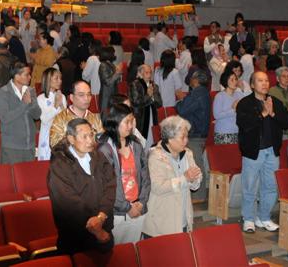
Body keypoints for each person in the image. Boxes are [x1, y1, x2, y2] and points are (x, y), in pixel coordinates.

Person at [236, 71, 288, 233]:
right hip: (253, 152)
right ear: (252, 85)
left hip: (272, 151)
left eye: (267, 80)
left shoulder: (275, 101)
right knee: (250, 187)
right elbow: (244, 124)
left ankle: (264, 217)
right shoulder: (245, 103)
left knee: (271, 186)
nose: (264, 83)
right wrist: (263, 114)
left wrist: (273, 113)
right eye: (260, 81)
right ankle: (248, 218)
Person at [49, 118, 116, 256]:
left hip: (103, 227)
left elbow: (110, 186)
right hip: (76, 236)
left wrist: (101, 216)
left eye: (91, 135)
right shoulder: (59, 165)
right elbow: (68, 202)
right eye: (84, 136)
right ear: (71, 139)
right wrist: (95, 227)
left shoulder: (99, 157)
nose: (90, 140)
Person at [97, 104, 149, 244]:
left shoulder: (135, 144)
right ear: (114, 122)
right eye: (127, 122)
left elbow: (145, 176)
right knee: (117, 253)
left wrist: (141, 202)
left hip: (138, 208)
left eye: (132, 121)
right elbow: (107, 185)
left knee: (134, 250)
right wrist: (127, 207)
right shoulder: (104, 149)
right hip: (117, 213)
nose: (131, 126)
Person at [143, 116, 202, 237]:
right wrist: (185, 179)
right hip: (162, 223)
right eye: (182, 137)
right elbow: (157, 187)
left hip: (183, 218)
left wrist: (195, 179)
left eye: (187, 136)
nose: (186, 141)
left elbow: (196, 182)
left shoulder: (188, 154)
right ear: (170, 139)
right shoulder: (156, 156)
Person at [174, 70, 211, 201]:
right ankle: (198, 195)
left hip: (195, 133)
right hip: (199, 132)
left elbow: (182, 109)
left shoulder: (197, 93)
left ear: (196, 80)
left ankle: (199, 196)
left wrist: (180, 100)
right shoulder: (203, 92)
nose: (189, 81)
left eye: (191, 78)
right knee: (195, 162)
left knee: (195, 164)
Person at [0, 62, 40, 164]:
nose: (30, 77)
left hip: (29, 145)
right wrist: (24, 104)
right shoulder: (3, 93)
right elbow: (5, 118)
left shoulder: (30, 91)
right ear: (17, 76)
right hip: (12, 147)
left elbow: (37, 115)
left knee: (28, 174)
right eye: (27, 75)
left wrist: (31, 104)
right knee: (11, 174)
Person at [50, 81, 104, 148]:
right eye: (81, 95)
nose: (86, 98)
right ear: (72, 97)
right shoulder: (60, 118)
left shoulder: (95, 118)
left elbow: (102, 141)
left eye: (89, 94)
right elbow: (55, 144)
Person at [37, 68, 67, 161]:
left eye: (60, 78)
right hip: (46, 135)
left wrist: (61, 105)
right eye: (56, 78)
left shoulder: (62, 96)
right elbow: (45, 120)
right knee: (46, 163)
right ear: (48, 80)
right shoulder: (41, 98)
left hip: (60, 135)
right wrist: (56, 106)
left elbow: (66, 118)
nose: (60, 81)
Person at [213, 71, 248, 144]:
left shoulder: (239, 94)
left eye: (235, 79)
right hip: (223, 133)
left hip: (238, 132)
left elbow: (246, 110)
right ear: (225, 81)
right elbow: (216, 115)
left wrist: (242, 90)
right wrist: (233, 110)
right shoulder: (220, 96)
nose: (235, 82)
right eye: (232, 80)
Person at [129, 63, 161, 143]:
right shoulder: (135, 85)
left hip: (152, 115)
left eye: (150, 72)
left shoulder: (154, 85)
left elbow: (160, 103)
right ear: (140, 74)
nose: (149, 75)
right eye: (146, 73)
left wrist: (153, 97)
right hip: (141, 117)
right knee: (141, 140)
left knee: (152, 138)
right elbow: (136, 102)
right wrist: (148, 95)